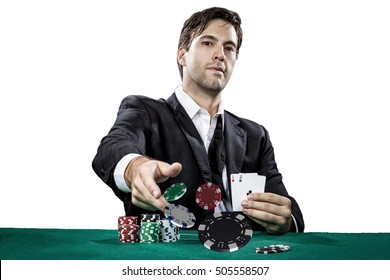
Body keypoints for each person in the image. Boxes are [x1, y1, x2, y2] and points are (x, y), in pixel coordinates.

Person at [92, 7, 304, 234]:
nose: (220, 54)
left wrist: (287, 219)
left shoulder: (256, 135)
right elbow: (111, 148)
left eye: (229, 48)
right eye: (207, 43)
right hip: (169, 261)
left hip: (240, 260)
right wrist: (134, 167)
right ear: (182, 55)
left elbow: (286, 207)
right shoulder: (145, 111)